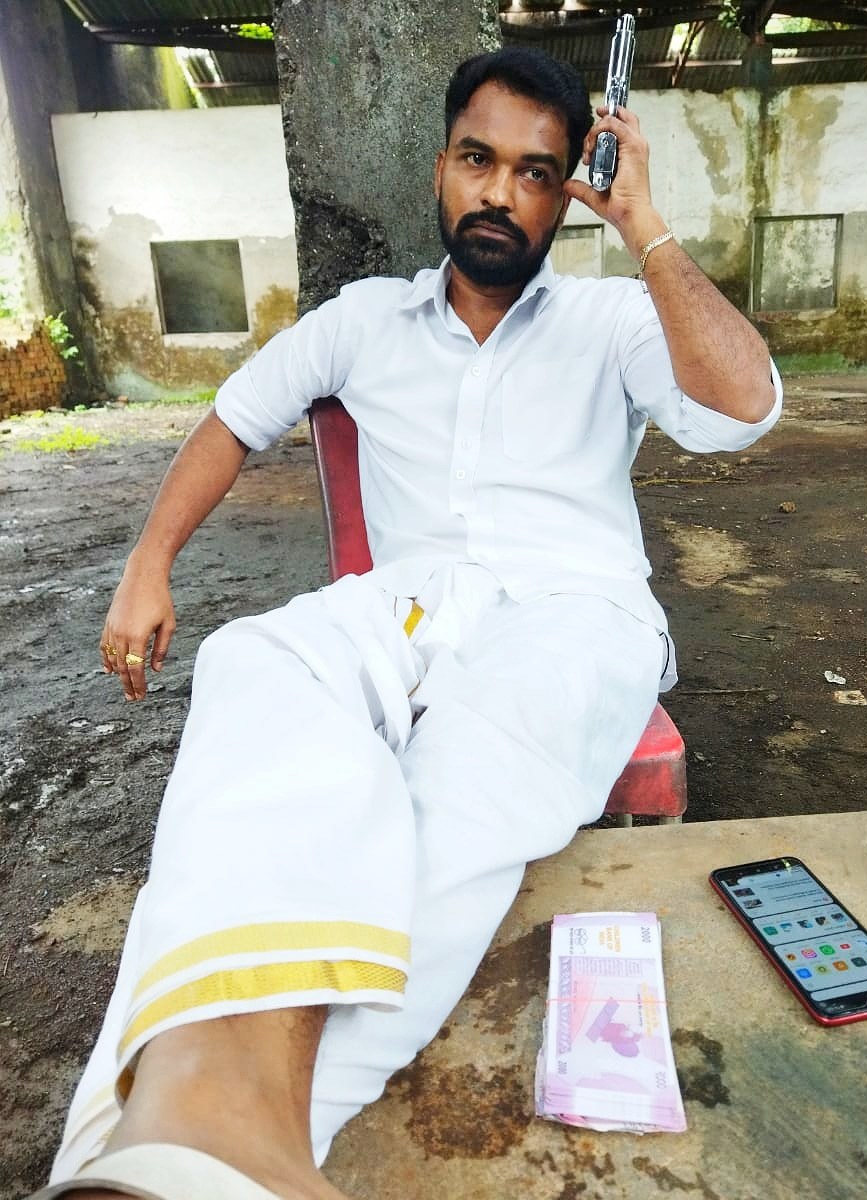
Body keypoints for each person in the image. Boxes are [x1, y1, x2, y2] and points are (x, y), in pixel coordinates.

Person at [33, 46, 780, 1200]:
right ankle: (198, 1125)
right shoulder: (366, 321)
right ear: (440, 167)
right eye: (479, 159)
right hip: (413, 606)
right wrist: (149, 561)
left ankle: (217, 1134)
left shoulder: (614, 319)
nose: (500, 192)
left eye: (536, 173)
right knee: (254, 662)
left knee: (463, 770)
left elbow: (745, 406)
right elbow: (233, 420)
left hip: (575, 614)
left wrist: (646, 227)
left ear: (565, 193)